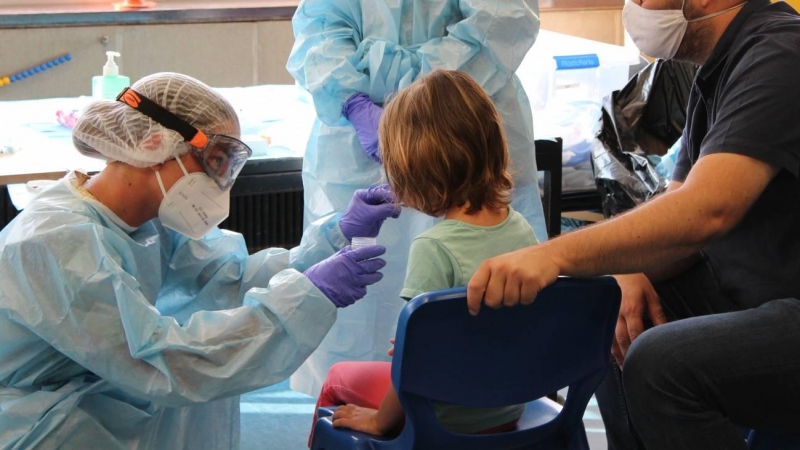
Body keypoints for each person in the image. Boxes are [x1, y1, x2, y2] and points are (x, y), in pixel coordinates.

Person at [0, 73, 400, 449]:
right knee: (198, 374)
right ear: (154, 144)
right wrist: (309, 296)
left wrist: (333, 237)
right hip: (34, 419)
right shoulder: (56, 242)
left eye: (230, 166)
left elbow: (229, 281)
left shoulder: (148, 220)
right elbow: (164, 360)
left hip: (92, 387)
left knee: (209, 377)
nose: (221, 181)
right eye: (215, 161)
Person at [465, 1, 800, 449]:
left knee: (660, 363)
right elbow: (678, 201)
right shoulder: (720, 69)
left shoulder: (781, 51)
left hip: (786, 303)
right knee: (609, 314)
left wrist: (553, 254)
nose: (634, 8)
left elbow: (707, 210)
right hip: (756, 293)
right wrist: (629, 270)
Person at [285, 0, 547, 397]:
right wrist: (353, 100)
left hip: (467, 99)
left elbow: (502, 19)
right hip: (440, 119)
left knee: (389, 341)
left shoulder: (431, 249)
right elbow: (320, 29)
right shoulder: (520, 232)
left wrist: (407, 95)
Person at [306, 70, 539, 444]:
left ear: (413, 169)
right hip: (508, 407)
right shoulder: (521, 229)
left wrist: (381, 421)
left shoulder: (434, 248)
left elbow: (413, 363)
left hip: (447, 416)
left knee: (337, 379)